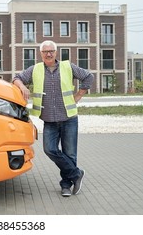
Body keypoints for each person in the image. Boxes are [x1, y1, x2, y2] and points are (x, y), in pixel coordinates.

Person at [13, 40, 94, 197]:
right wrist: (22, 87)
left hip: (69, 118)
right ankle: (77, 174)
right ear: (41, 54)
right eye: (45, 52)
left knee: (70, 154)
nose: (48, 54)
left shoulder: (67, 67)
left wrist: (79, 95)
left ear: (56, 52)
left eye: (51, 51)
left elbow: (88, 77)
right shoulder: (35, 69)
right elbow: (17, 78)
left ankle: (66, 186)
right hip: (49, 120)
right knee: (49, 149)